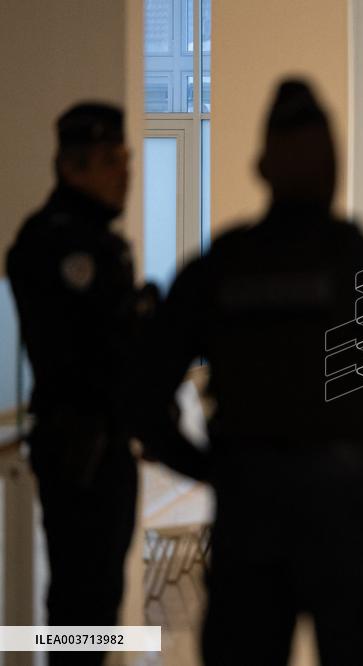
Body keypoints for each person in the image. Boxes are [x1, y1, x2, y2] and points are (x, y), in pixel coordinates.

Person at [137, 79, 363, 665]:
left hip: (248, 514)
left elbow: (142, 397)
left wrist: (214, 472)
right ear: (335, 166)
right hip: (351, 517)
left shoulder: (219, 268)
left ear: (261, 166)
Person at [5, 103, 153, 662]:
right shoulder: (58, 242)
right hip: (79, 445)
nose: (126, 174)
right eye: (111, 162)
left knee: (100, 598)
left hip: (107, 443)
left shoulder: (98, 240)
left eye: (127, 159)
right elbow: (94, 349)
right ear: (72, 168)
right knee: (80, 602)